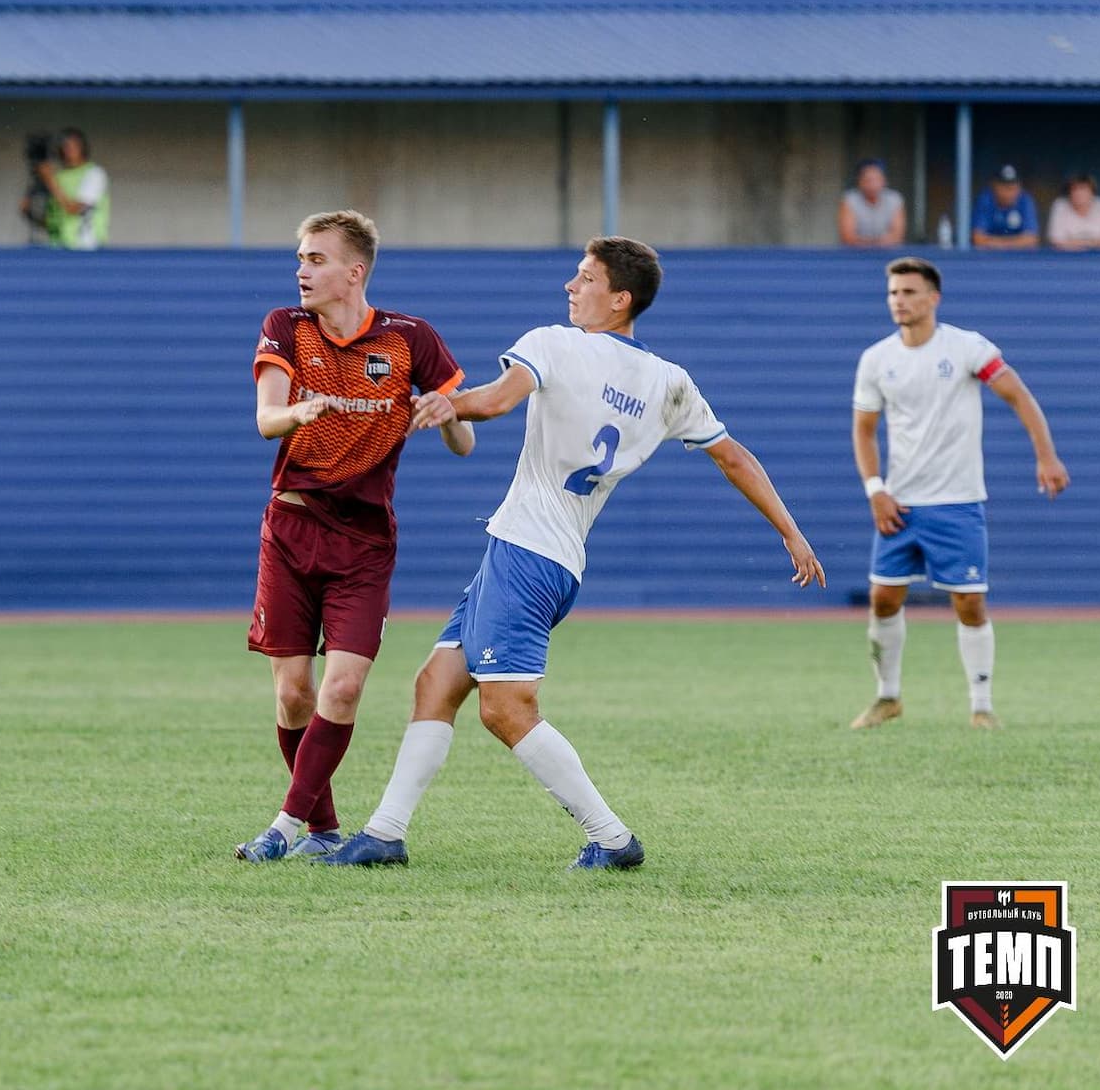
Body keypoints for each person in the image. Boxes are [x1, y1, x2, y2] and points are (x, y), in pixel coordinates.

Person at [321, 236, 825, 872]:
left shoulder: (555, 342)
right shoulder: (670, 382)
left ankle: (611, 838)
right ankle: (385, 834)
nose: (570, 287)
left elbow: (500, 398)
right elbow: (734, 455)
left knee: (505, 710)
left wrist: (450, 402)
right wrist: (791, 530)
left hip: (527, 557)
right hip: (550, 558)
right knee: (437, 683)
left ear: (619, 298)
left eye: (585, 278)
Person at [234, 210, 475, 862]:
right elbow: (265, 420)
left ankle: (284, 828)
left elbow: (465, 441)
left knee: (342, 688)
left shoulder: (409, 338)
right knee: (294, 694)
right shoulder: (286, 326)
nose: (301, 270)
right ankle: (322, 830)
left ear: (353, 271)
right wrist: (298, 412)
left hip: (364, 543)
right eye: (301, 258)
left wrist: (446, 413)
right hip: (291, 526)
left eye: (315, 259)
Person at [849, 257, 1068, 731]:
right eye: (893, 293)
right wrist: (876, 490)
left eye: (909, 292)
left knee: (969, 603)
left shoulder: (967, 347)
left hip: (958, 502)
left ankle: (982, 705)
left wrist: (1046, 455)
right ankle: (888, 698)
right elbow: (864, 432)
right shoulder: (876, 359)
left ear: (933, 298)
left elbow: (1019, 396)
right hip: (901, 504)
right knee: (882, 599)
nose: (899, 301)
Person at [32, 128, 110, 250]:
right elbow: (52, 221)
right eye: (65, 146)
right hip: (59, 246)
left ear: (83, 148)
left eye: (74, 145)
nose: (69, 150)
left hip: (85, 246)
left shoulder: (94, 173)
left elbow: (73, 209)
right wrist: (29, 212)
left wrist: (49, 180)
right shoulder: (59, 177)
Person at [837, 158, 906, 247]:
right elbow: (848, 237)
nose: (873, 185)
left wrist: (868, 242)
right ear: (859, 181)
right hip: (856, 255)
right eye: (868, 180)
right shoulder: (850, 199)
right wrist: (877, 242)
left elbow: (897, 236)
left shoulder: (894, 199)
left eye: (877, 179)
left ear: (884, 180)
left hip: (888, 253)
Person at [969, 165, 1040, 249]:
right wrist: (1017, 241)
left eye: (1013, 188)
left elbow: (1031, 239)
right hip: (988, 258)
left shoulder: (1025, 200)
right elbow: (978, 239)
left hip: (1019, 257)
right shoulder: (986, 199)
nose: (1010, 193)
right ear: (995, 186)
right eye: (1005, 187)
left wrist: (995, 242)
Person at [1046, 174, 1100, 249]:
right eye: (1074, 189)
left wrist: (1075, 243)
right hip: (1067, 257)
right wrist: (1094, 242)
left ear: (1092, 192)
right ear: (1069, 193)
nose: (1078, 193)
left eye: (1083, 189)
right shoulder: (1060, 205)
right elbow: (1056, 241)